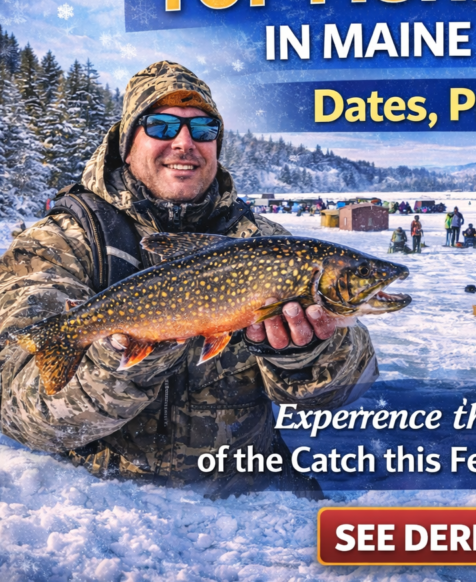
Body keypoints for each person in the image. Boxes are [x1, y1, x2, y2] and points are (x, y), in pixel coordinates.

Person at [0, 61, 379, 499]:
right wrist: (125, 355)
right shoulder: (60, 242)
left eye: (203, 129)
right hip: (109, 508)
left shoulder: (267, 245)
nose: (184, 143)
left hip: (254, 503)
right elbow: (18, 412)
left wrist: (310, 352)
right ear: (126, 144)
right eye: (160, 126)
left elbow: (351, 386)